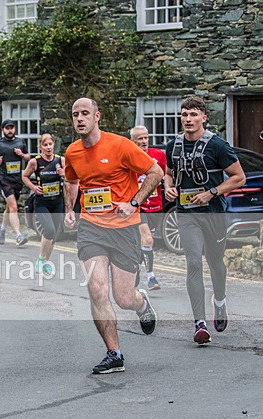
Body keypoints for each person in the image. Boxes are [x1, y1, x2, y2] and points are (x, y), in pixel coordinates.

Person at [63, 98, 163, 374]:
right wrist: (69, 209)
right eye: (75, 114)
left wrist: (133, 203)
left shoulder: (120, 145)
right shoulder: (72, 152)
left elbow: (156, 171)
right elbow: (71, 180)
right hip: (91, 227)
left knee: (123, 298)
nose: (79, 118)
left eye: (85, 113)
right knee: (96, 289)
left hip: (123, 228)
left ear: (97, 117)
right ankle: (114, 353)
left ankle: (140, 302)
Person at [163, 96, 246, 345]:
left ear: (204, 117)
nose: (188, 119)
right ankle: (199, 323)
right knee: (193, 263)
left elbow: (239, 177)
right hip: (187, 214)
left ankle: (219, 302)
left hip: (214, 213)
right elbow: (169, 174)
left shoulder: (217, 145)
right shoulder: (173, 146)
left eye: (194, 114)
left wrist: (212, 192)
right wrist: (168, 187)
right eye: (184, 114)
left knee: (215, 263)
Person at [21, 133, 66, 275]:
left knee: (54, 235)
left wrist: (64, 173)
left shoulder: (61, 160)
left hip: (58, 202)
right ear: (40, 146)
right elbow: (24, 176)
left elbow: (72, 177)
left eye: (50, 144)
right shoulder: (35, 162)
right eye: (45, 145)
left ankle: (46, 261)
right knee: (49, 230)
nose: (48, 147)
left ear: (54, 145)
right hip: (41, 203)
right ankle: (40, 259)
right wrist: (33, 187)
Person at [129, 125, 166, 291]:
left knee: (142, 244)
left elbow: (165, 177)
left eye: (146, 138)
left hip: (156, 205)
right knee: (148, 238)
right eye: (140, 139)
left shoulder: (158, 155)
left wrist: (169, 187)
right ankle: (151, 277)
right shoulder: (128, 158)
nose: (144, 142)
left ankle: (134, 270)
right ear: (133, 141)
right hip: (137, 206)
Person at [0, 119, 31, 246]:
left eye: (12, 128)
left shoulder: (20, 142)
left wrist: (22, 155)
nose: (10, 130)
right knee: (14, 207)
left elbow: (28, 157)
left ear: (14, 129)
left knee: (9, 207)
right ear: (3, 130)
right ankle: (18, 235)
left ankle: (2, 228)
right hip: (5, 180)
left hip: (17, 179)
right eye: (7, 128)